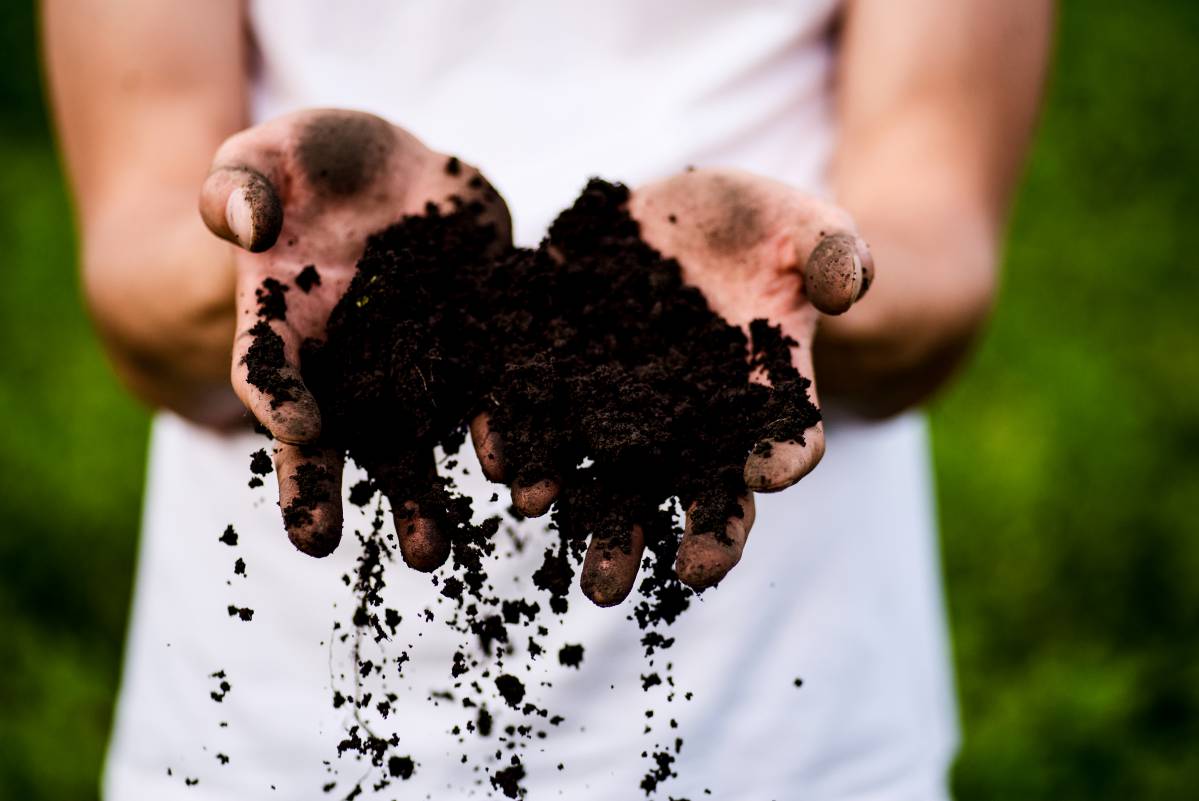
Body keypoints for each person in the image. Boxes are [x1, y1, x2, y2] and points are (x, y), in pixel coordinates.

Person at [43, 1, 1050, 798]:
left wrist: (796, 284)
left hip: (785, 718)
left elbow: (938, 239)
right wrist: (275, 277)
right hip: (268, 722)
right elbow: (133, 260)